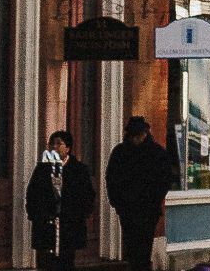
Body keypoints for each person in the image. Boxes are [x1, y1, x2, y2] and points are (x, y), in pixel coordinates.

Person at [107, 116, 177, 271]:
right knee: (131, 245)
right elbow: (111, 178)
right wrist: (117, 201)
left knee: (144, 246)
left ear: (145, 134)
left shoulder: (156, 153)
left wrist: (154, 199)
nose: (135, 139)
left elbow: (164, 180)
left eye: (138, 135)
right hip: (128, 208)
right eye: (133, 136)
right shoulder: (120, 152)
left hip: (147, 209)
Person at [25, 130, 96, 271]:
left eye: (59, 143)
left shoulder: (79, 170)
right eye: (52, 144)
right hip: (46, 222)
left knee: (66, 260)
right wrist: (36, 214)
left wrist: (80, 214)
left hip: (70, 223)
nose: (54, 147)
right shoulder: (42, 169)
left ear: (68, 148)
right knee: (46, 260)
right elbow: (33, 193)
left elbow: (87, 195)